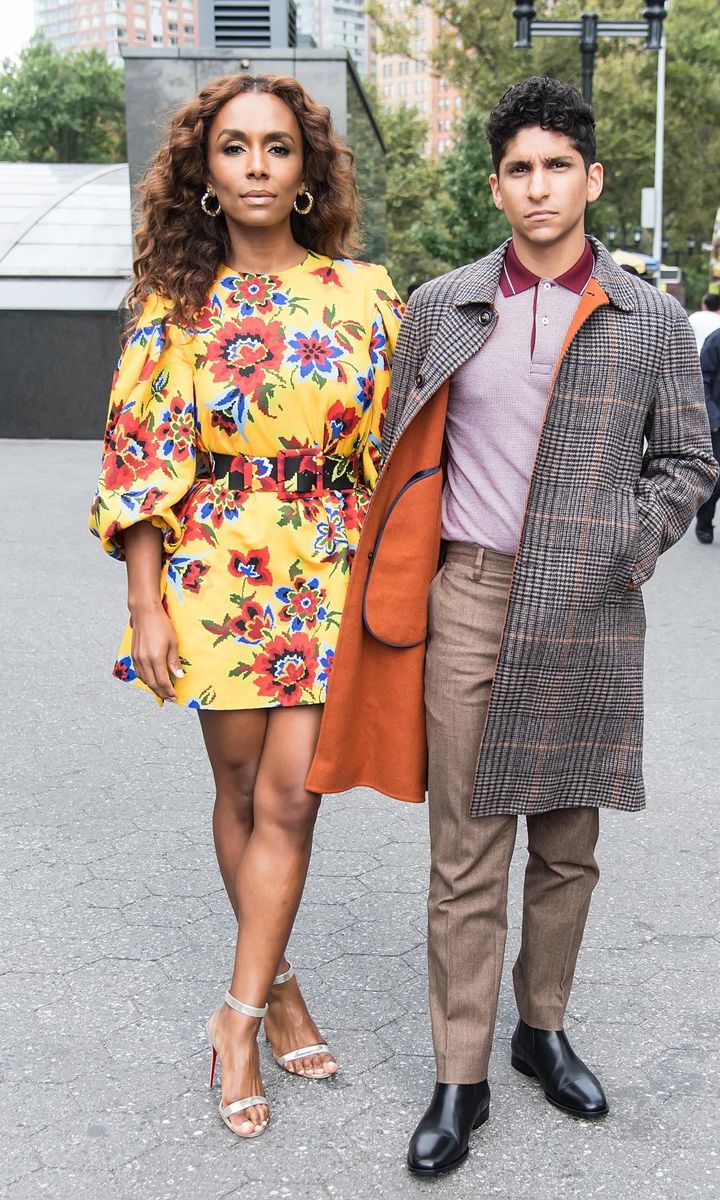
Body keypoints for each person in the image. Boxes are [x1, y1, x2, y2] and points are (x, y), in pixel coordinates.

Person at [306, 76, 718, 1175]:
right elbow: (397, 448)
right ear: (498, 187)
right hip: (472, 598)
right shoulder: (442, 304)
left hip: (589, 604)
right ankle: (461, 1074)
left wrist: (624, 548)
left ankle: (541, 1029)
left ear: (591, 180)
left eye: (557, 167)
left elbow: (687, 462)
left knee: (568, 847)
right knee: (465, 851)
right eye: (518, 170)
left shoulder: (652, 320)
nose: (538, 187)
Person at [90, 71, 400, 1139]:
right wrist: (145, 605)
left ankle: (235, 1016)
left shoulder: (367, 294)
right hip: (216, 567)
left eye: (278, 147)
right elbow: (140, 463)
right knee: (238, 788)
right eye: (236, 148)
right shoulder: (176, 305)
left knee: (293, 795)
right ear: (206, 173)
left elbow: (398, 451)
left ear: (308, 169)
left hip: (326, 563)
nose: (258, 165)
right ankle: (281, 991)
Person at [696, 325, 720, 541]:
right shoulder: (716, 340)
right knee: (716, 481)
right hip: (718, 424)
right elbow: (702, 379)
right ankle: (704, 521)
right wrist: (714, 418)